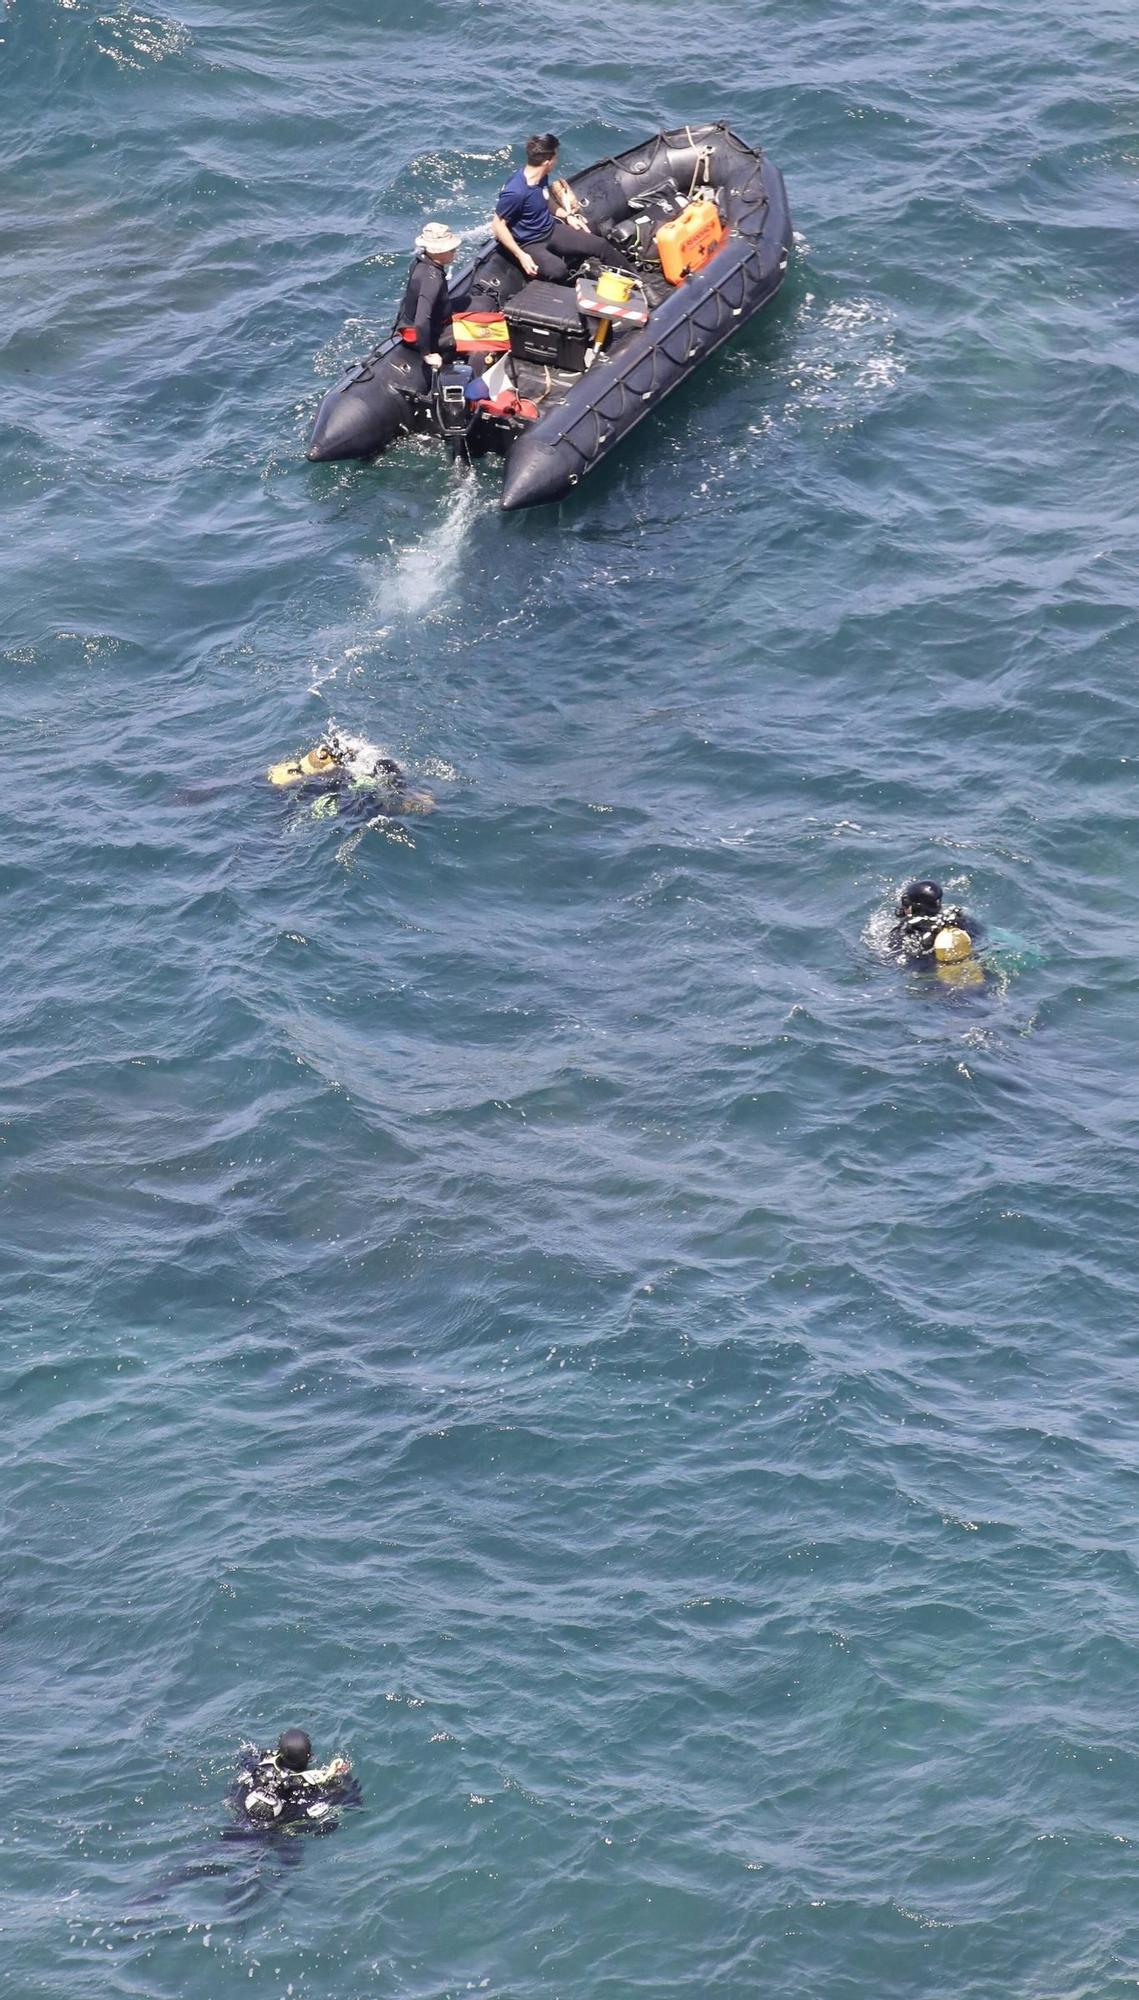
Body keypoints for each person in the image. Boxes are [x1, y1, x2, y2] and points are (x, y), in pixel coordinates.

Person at [492, 133, 637, 285]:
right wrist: (521, 255)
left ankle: (635, 281)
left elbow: (545, 200)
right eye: (556, 157)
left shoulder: (540, 176)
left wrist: (568, 217)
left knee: (600, 245)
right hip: (529, 242)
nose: (557, 160)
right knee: (558, 271)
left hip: (550, 229)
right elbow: (497, 225)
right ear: (547, 162)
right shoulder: (516, 191)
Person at [266, 727, 433, 818]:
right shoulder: (316, 788)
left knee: (382, 769)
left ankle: (406, 800)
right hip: (349, 803)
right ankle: (406, 802)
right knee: (383, 768)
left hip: (343, 798)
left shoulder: (309, 783)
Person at [229, 1729, 360, 1834]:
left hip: (242, 1815)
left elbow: (244, 1758)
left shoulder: (260, 1766)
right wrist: (345, 1776)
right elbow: (353, 1803)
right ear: (309, 1757)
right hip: (275, 1830)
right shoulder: (312, 1788)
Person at [394, 221, 461, 378]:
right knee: (482, 336)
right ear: (439, 251)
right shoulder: (432, 279)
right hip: (428, 332)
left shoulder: (419, 262)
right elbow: (422, 320)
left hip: (420, 321)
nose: (454, 251)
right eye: (451, 249)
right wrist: (427, 354)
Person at [888, 880, 980, 961]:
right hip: (966, 956)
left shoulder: (905, 929)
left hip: (928, 967)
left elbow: (895, 956)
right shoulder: (955, 917)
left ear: (915, 906)